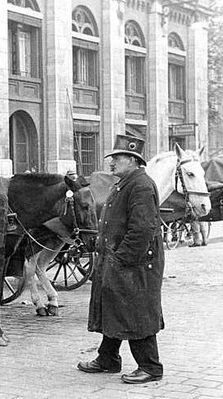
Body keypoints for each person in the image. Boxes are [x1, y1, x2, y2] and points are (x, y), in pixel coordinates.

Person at [77, 135, 165, 384]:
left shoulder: (140, 185)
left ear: (134, 160)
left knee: (136, 310)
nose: (112, 162)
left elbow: (142, 229)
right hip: (117, 259)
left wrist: (122, 259)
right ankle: (108, 358)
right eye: (112, 158)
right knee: (113, 305)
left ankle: (150, 367)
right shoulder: (126, 182)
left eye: (117, 158)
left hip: (135, 264)